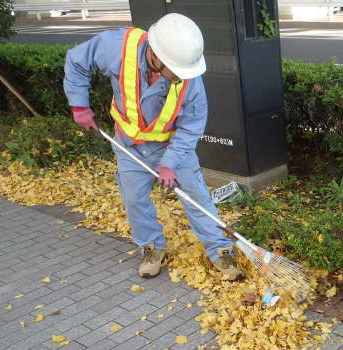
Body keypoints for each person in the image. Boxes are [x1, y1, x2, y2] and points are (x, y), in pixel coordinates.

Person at [63, 13, 244, 281]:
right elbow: (76, 60)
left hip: (172, 147)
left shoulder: (189, 79)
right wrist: (79, 104)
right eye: (176, 70)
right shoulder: (116, 46)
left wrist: (169, 162)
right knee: (135, 200)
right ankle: (151, 248)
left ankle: (220, 250)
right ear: (156, 56)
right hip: (128, 143)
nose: (182, 76)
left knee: (197, 198)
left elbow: (191, 127)